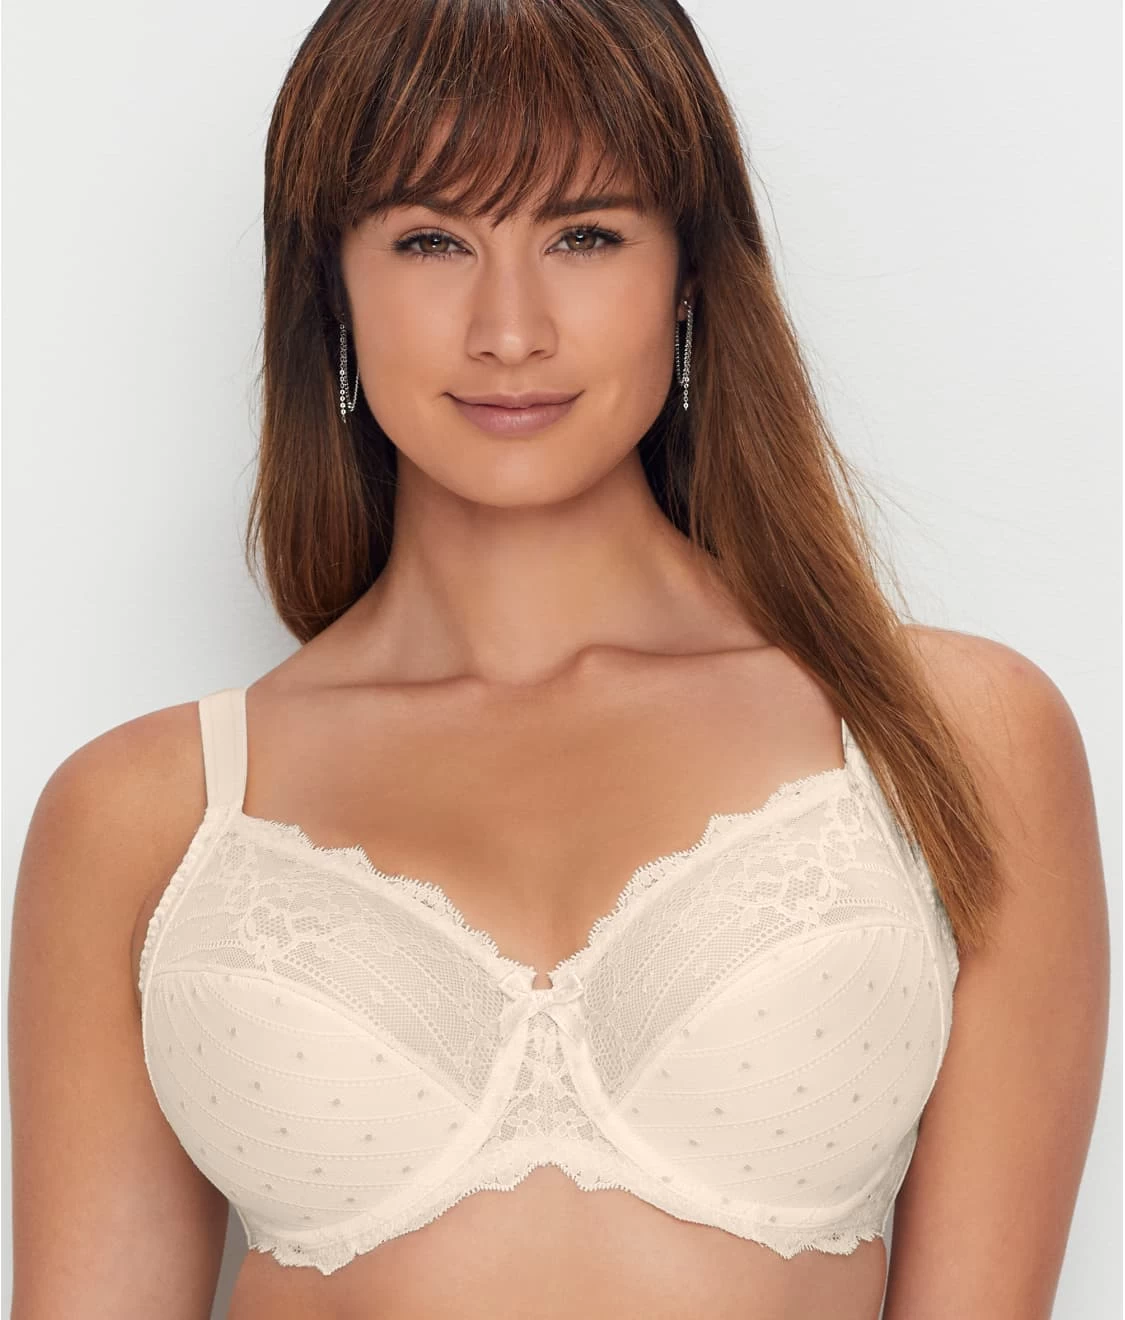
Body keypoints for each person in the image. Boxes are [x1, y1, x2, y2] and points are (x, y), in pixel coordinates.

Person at [8, 1, 1109, 1317]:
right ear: (328, 288)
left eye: (585, 234)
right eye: (431, 239)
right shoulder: (147, 815)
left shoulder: (952, 739)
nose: (510, 329)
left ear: (689, 275)